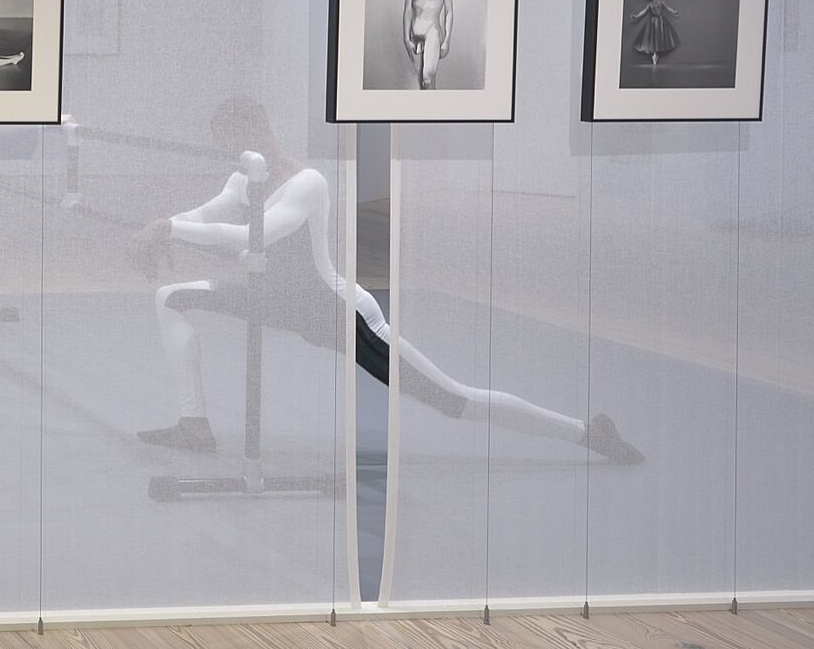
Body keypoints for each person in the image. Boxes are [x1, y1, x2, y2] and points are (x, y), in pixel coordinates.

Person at [129, 99, 641, 465]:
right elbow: (203, 214)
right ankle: (194, 426)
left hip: (337, 314)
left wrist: (168, 230)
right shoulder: (243, 181)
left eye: (235, 147)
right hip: (277, 302)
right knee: (170, 297)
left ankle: (586, 434)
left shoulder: (307, 184)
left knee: (452, 400)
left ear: (259, 136)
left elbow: (251, 235)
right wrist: (156, 229)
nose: (231, 159)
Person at [630, 0, 681, 68]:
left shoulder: (661, 2)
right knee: (653, 38)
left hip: (661, 21)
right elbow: (643, 11)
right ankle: (654, 55)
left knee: (660, 37)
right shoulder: (650, 4)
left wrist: (674, 11)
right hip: (654, 22)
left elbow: (667, 8)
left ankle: (655, 55)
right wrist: (636, 16)